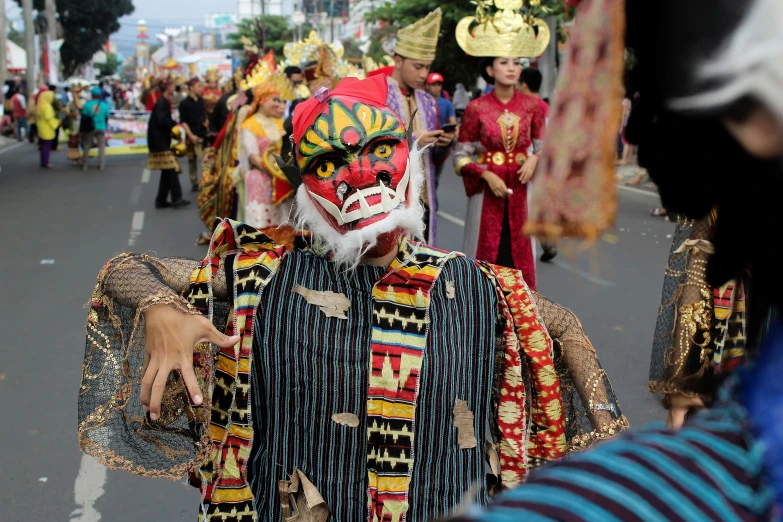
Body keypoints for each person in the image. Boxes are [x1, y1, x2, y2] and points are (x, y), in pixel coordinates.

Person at [78, 74, 627, 522]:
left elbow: (564, 327)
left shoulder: (479, 287)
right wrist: (160, 306)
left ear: (407, 159)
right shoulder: (261, 276)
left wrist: (607, 435)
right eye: (327, 163)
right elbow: (128, 268)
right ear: (305, 190)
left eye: (379, 148)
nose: (358, 173)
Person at [453, 6, 548, 290]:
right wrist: (484, 174)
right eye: (504, 62)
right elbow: (460, 157)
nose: (511, 68)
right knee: (487, 262)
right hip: (486, 195)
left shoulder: (533, 106)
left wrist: (534, 159)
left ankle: (524, 322)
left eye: (516, 62)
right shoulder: (475, 108)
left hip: (521, 191)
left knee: (520, 265)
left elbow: (547, 150)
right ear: (490, 69)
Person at [384, 8, 457, 245]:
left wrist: (444, 143)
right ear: (397, 60)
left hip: (423, 198)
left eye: (427, 67)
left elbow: (434, 156)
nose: (424, 74)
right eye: (418, 67)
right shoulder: (379, 95)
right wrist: (414, 138)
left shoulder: (428, 101)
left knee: (423, 264)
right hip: (388, 197)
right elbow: (370, 146)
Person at [237, 83, 290, 228]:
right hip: (261, 177)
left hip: (282, 180)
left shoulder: (280, 123)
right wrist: (273, 172)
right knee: (261, 223)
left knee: (284, 222)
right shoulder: (249, 124)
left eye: (279, 101)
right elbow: (253, 155)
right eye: (274, 100)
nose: (278, 104)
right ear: (262, 100)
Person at [519, 67, 558, 262]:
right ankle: (547, 241)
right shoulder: (545, 107)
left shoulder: (525, 106)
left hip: (528, 160)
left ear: (524, 83)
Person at [147, 78, 189, 209]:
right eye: (172, 85)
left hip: (161, 139)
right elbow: (162, 120)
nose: (174, 88)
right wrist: (173, 125)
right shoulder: (161, 102)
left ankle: (161, 200)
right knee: (171, 168)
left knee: (167, 170)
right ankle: (176, 197)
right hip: (158, 140)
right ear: (167, 88)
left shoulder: (164, 101)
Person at [178, 77, 207, 192]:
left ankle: (206, 180)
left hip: (202, 133)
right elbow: (183, 122)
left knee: (205, 158)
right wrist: (191, 135)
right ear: (192, 88)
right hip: (191, 134)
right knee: (192, 160)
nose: (201, 88)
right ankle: (194, 181)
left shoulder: (202, 101)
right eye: (199, 86)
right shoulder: (184, 103)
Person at [81, 87, 110, 171]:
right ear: (99, 95)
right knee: (101, 146)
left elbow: (84, 118)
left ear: (92, 95)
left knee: (86, 146)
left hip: (90, 128)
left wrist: (81, 130)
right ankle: (101, 165)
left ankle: (84, 165)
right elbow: (106, 116)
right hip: (101, 127)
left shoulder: (87, 105)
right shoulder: (104, 105)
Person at [36, 90, 59, 168]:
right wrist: (57, 123)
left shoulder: (40, 105)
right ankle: (46, 162)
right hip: (47, 128)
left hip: (41, 127)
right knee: (46, 146)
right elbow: (49, 118)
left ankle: (43, 161)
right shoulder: (47, 106)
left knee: (43, 146)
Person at [64, 85, 85, 165]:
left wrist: (76, 99)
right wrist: (73, 113)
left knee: (83, 142)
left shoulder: (83, 101)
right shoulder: (70, 103)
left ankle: (83, 157)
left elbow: (80, 107)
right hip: (73, 125)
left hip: (82, 125)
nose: (74, 94)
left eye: (76, 92)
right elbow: (67, 112)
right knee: (73, 142)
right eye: (73, 92)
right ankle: (75, 158)